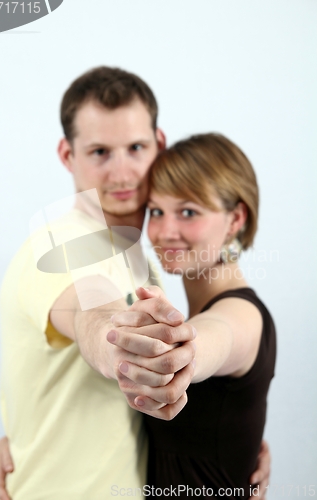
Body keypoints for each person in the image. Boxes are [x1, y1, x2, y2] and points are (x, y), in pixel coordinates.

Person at [0, 69, 270, 500]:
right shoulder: (59, 240)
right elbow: (89, 316)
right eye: (100, 152)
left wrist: (235, 440)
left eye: (135, 148)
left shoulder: (138, 256)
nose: (122, 172)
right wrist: (121, 345)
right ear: (67, 155)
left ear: (159, 143)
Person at [108, 133, 276, 499]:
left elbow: (214, 338)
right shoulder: (194, 307)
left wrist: (178, 354)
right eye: (156, 211)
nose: (165, 232)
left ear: (235, 219)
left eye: (188, 212)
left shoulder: (242, 314)